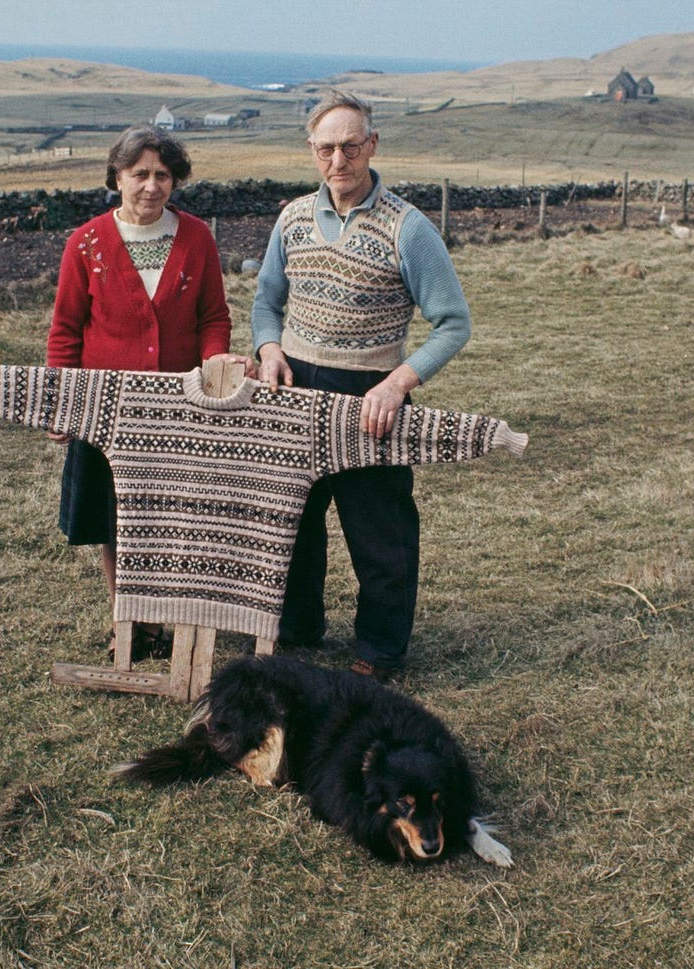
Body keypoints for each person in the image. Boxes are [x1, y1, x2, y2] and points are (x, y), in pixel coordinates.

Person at [250, 91, 472, 681]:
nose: (339, 159)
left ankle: (378, 652)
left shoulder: (409, 227)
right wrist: (269, 348)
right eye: (327, 148)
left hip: (370, 397)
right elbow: (266, 303)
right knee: (290, 522)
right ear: (312, 151)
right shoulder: (292, 218)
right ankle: (294, 629)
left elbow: (453, 323)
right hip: (293, 389)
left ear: (372, 145)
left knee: (381, 535)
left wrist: (398, 383)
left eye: (351, 145)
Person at [47, 123, 250, 657]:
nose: (151, 186)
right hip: (105, 408)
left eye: (163, 175)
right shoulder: (86, 242)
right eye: (140, 174)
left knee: (174, 518)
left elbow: (214, 317)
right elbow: (66, 330)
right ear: (117, 176)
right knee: (118, 518)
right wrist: (62, 403)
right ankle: (130, 624)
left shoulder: (197, 238)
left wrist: (214, 371)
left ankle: (169, 620)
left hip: (180, 406)